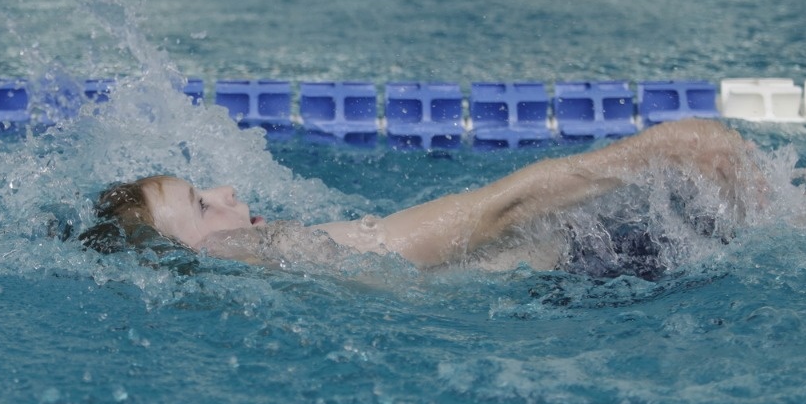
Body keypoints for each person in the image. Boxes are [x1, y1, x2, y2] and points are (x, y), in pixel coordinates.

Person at [79, 119, 767, 274]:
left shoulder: (288, 263)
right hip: (607, 262)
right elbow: (499, 211)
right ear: (198, 246)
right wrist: (656, 150)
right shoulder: (266, 248)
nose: (227, 192)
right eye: (202, 204)